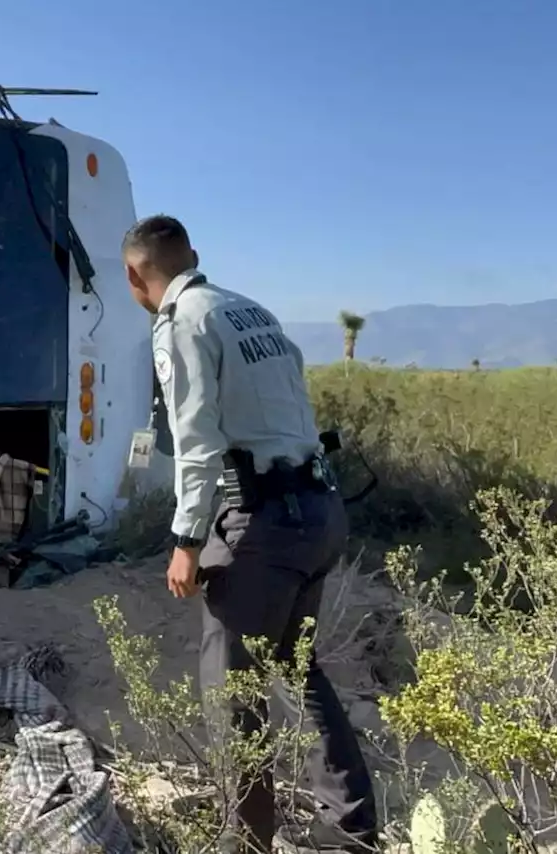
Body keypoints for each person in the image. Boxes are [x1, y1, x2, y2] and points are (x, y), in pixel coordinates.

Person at [123, 215, 378, 854]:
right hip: (318, 509)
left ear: (134, 276)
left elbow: (195, 441)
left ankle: (246, 842)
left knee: (231, 690)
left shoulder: (181, 321)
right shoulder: (249, 310)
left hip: (260, 523)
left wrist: (186, 542)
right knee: (297, 668)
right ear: (194, 257)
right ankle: (353, 831)